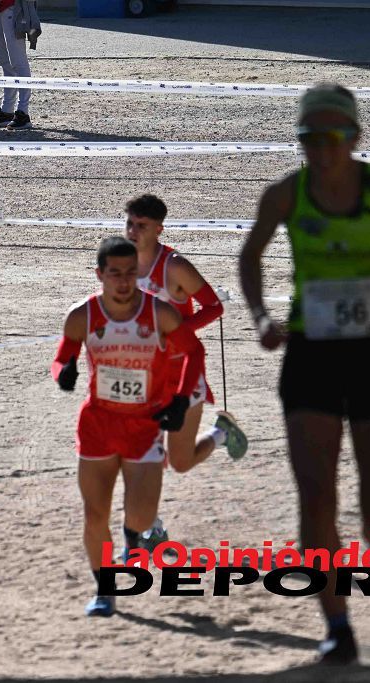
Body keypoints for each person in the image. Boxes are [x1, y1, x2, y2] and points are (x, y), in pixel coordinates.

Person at [238, 83, 370, 665]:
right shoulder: (285, 194)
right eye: (310, 138)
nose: (322, 149)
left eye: (333, 137)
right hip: (310, 355)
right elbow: (250, 255)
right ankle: (337, 626)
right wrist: (261, 317)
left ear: (354, 137)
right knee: (317, 502)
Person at [52, 236, 206, 617]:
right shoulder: (82, 315)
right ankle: (105, 590)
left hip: (143, 425)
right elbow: (62, 356)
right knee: (94, 514)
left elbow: (194, 351)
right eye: (114, 273)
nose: (123, 281)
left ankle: (134, 534)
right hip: (98, 425)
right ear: (100, 274)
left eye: (130, 273)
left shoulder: (160, 314)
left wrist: (182, 398)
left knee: (138, 516)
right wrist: (64, 372)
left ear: (137, 274)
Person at [124, 194, 249, 549]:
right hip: (142, 376)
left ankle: (222, 433)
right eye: (129, 223)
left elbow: (213, 306)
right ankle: (151, 529)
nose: (133, 232)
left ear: (159, 229)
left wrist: (179, 330)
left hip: (181, 374)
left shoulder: (175, 267)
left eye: (141, 226)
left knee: (179, 461)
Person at [0, 0, 34, 131]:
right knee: (5, 61)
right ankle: (7, 111)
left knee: (19, 61)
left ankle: (23, 113)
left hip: (12, 6)